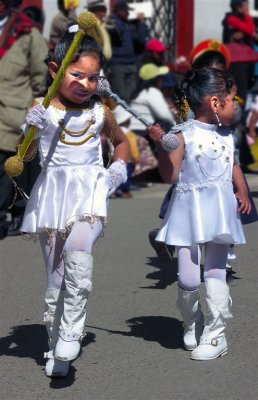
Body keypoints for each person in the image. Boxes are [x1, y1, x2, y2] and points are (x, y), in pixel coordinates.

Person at [18, 23, 129, 377]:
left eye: (93, 77)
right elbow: (27, 156)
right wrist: (29, 129)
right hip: (53, 197)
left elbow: (122, 142)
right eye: (77, 74)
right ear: (55, 70)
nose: (85, 84)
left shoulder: (101, 112)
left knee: (79, 251)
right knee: (56, 277)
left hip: (91, 194)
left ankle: (70, 331)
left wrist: (119, 168)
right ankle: (56, 350)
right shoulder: (42, 108)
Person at [147, 67, 251, 361]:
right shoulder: (183, 134)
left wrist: (241, 190)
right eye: (231, 100)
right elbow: (170, 174)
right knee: (190, 278)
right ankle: (192, 320)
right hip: (189, 212)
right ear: (214, 104)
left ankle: (217, 333)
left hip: (220, 210)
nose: (235, 105)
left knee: (216, 270)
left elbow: (233, 165)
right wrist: (162, 148)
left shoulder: (227, 135)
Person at [0, 0, 48, 239]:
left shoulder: (26, 31)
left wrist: (29, 100)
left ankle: (19, 213)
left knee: (15, 165)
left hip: (15, 110)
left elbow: (40, 73)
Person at [105, 0, 149, 102]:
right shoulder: (112, 22)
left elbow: (141, 39)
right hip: (118, 64)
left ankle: (128, 116)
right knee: (119, 96)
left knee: (131, 95)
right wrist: (117, 20)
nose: (128, 14)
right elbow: (115, 32)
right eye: (126, 11)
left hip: (131, 64)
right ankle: (119, 117)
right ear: (119, 11)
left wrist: (141, 23)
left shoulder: (128, 25)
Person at [112, 105, 139, 198]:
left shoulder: (113, 132)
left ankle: (113, 191)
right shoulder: (129, 134)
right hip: (127, 159)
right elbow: (133, 147)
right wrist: (136, 157)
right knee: (126, 175)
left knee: (114, 175)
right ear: (127, 121)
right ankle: (125, 191)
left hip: (113, 157)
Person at [86, 0, 112, 64]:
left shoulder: (101, 24)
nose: (105, 11)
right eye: (103, 9)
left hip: (103, 61)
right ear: (95, 10)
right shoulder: (91, 24)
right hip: (96, 61)